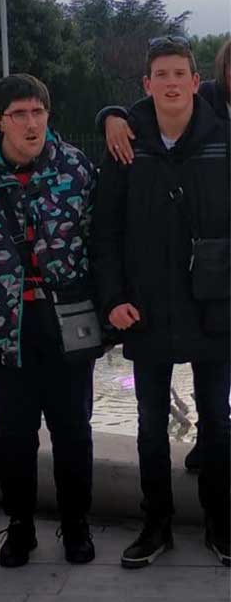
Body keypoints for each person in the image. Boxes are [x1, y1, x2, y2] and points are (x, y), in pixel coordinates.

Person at [0, 73, 99, 568]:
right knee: (12, 436)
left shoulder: (75, 168)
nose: (32, 124)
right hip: (5, 327)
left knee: (74, 430)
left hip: (66, 321)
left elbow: (101, 246)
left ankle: (76, 524)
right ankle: (20, 526)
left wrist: (106, 319)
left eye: (38, 112)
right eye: (20, 114)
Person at [91, 37, 230, 568]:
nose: (171, 83)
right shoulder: (127, 144)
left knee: (218, 419)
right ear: (147, 85)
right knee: (150, 424)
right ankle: (156, 524)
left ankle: (221, 522)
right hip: (145, 307)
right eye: (161, 75)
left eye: (180, 73)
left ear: (197, 82)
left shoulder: (223, 141)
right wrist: (113, 299)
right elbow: (104, 232)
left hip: (214, 305)